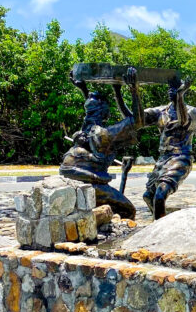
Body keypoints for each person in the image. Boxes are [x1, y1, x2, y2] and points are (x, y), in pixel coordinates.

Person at [60, 68, 143, 219]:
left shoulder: (86, 128)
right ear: (106, 114)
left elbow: (91, 112)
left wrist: (84, 89)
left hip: (72, 176)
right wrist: (133, 89)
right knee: (129, 211)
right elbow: (137, 121)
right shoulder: (105, 134)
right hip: (92, 183)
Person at [142, 77, 196, 220]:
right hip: (163, 159)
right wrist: (132, 89)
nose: (172, 91)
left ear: (183, 91)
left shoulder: (192, 111)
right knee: (148, 196)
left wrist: (180, 96)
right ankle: (162, 223)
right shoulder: (161, 111)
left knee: (160, 196)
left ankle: (161, 233)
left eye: (176, 89)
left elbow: (183, 121)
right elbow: (135, 119)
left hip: (181, 157)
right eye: (170, 89)